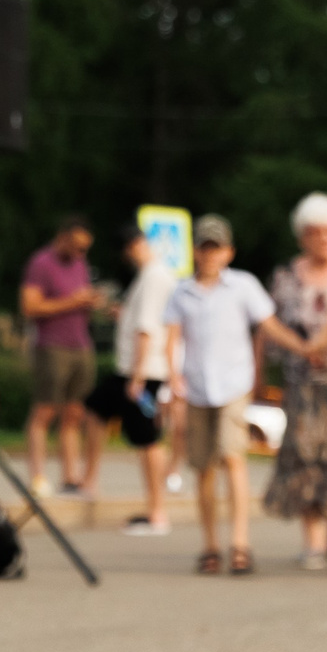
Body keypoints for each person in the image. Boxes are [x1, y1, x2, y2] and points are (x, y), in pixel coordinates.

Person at [163, 215, 309, 576]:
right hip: (197, 386)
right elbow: (171, 337)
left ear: (228, 252)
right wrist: (172, 375)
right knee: (203, 467)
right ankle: (210, 543)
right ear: (195, 252)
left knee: (233, 456)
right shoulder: (182, 291)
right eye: (203, 248)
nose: (209, 255)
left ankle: (240, 542)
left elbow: (269, 325)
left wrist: (305, 349)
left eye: (216, 248)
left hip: (232, 384)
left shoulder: (242, 286)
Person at [262, 193, 327, 567]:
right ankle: (313, 540)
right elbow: (270, 326)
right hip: (303, 381)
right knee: (305, 456)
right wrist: (299, 349)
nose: (325, 239)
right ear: (302, 236)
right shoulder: (287, 278)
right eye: (315, 232)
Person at [22, 216, 103, 496]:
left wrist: (92, 302)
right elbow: (30, 306)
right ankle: (38, 476)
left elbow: (79, 301)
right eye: (78, 247)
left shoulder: (80, 264)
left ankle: (70, 476)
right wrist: (74, 302)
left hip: (80, 344)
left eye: (85, 249)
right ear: (63, 237)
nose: (82, 254)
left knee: (74, 413)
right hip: (52, 346)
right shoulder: (41, 263)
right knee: (45, 410)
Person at [111, 222, 179, 537]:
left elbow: (147, 328)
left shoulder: (153, 277)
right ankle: (154, 508)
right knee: (146, 439)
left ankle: (158, 512)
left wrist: (137, 376)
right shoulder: (152, 276)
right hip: (148, 370)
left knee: (149, 439)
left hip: (148, 372)